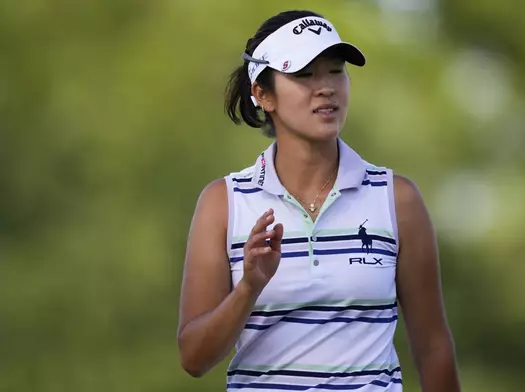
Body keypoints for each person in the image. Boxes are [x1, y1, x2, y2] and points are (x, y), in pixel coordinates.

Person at [177, 9, 461, 392]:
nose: (326, 87)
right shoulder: (223, 203)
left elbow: (433, 347)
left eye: (335, 70)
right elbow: (194, 358)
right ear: (263, 94)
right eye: (304, 75)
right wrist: (249, 287)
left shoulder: (397, 199)